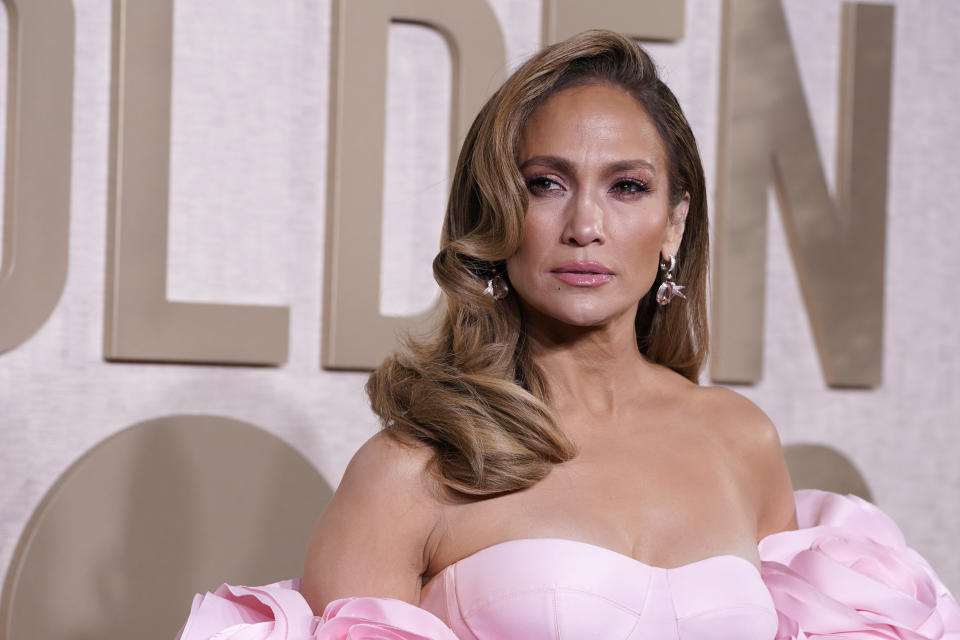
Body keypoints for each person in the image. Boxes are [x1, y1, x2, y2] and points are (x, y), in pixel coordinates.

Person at [176, 30, 960, 640]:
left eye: (627, 187)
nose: (585, 225)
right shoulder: (412, 470)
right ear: (496, 215)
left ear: (674, 224)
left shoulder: (739, 439)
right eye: (545, 184)